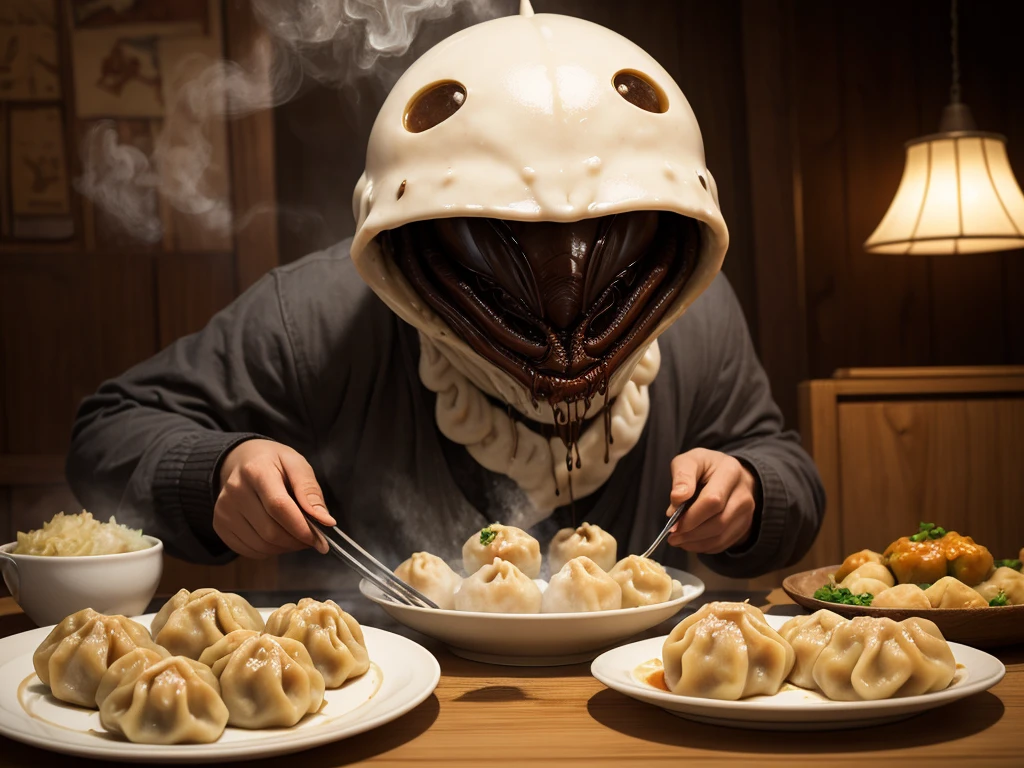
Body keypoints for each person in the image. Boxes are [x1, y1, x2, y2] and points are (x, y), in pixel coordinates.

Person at [66, 7, 824, 579]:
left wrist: (755, 489)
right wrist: (218, 470)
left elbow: (780, 458)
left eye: (605, 238)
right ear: (413, 232)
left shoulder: (700, 314)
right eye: (506, 237)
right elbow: (107, 431)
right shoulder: (315, 314)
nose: (563, 304)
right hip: (377, 693)